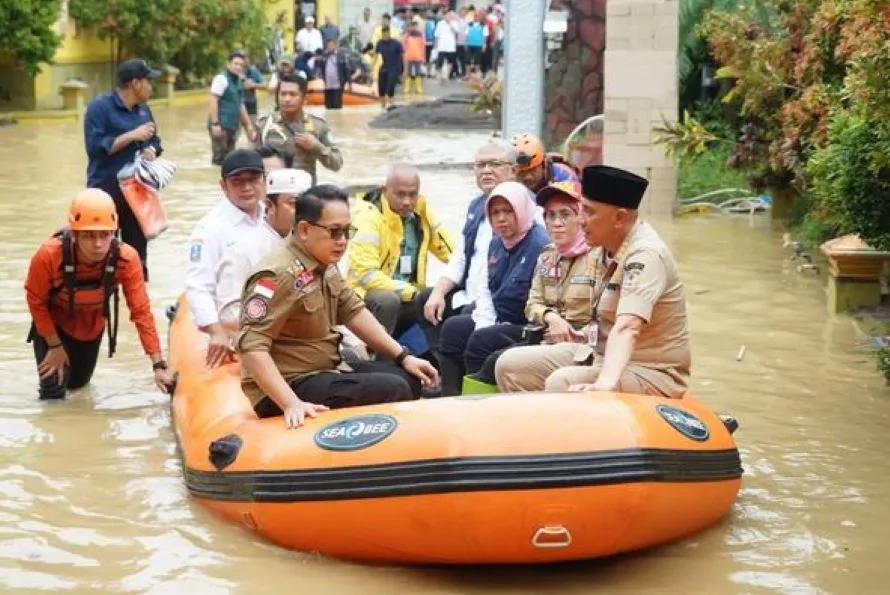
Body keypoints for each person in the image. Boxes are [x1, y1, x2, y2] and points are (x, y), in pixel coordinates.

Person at [235, 185, 440, 429]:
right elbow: (250, 345)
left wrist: (404, 356)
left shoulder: (324, 262)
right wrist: (291, 403)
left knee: (407, 377)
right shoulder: (276, 275)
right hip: (289, 383)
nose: (342, 241)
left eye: (346, 232)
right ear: (304, 230)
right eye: (334, 232)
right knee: (393, 389)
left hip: (324, 369)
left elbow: (353, 311)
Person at [495, 165, 692, 398]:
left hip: (650, 370)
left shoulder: (645, 255)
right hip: (597, 352)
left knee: (561, 382)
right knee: (509, 366)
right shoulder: (602, 249)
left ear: (619, 218)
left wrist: (606, 383)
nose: (580, 221)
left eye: (588, 212)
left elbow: (628, 326)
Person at [24, 189, 174, 399]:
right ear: (74, 234)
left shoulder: (127, 259)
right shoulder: (48, 255)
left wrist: (158, 364)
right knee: (52, 392)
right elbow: (35, 301)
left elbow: (141, 313)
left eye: (105, 234)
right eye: (88, 235)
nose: (98, 244)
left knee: (78, 387)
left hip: (91, 328)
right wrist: (54, 345)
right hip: (53, 328)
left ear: (114, 232)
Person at [463, 178, 594, 386]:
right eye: (551, 216)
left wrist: (575, 333)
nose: (557, 223)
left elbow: (606, 319)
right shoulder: (547, 256)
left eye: (565, 214)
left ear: (581, 218)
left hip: (582, 342)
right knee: (476, 343)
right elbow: (532, 304)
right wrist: (551, 317)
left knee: (496, 361)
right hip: (544, 334)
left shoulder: (598, 259)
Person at [436, 181, 549, 396]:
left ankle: (479, 402)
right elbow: (487, 292)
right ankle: (450, 395)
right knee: (453, 329)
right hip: (501, 318)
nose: (501, 218)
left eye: (508, 211)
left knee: (482, 341)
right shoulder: (496, 242)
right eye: (495, 212)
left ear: (522, 211)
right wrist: (484, 324)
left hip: (529, 326)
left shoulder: (540, 245)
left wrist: (485, 331)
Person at [416, 139, 516, 360]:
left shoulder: (523, 209)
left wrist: (481, 301)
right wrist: (439, 292)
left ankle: (456, 377)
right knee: (426, 299)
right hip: (468, 292)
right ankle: (438, 367)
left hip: (495, 299)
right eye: (480, 165)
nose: (486, 171)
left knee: (459, 321)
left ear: (513, 170)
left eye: (494, 164)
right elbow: (460, 257)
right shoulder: (476, 206)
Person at [346, 163, 454, 338]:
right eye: (400, 194)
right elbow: (366, 275)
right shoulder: (368, 218)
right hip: (366, 296)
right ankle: (379, 358)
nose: (407, 201)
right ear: (385, 190)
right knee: (389, 300)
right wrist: (411, 292)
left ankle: (431, 356)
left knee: (444, 298)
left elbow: (451, 251)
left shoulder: (422, 212)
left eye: (412, 194)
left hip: (409, 295)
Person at [185, 149, 266, 368]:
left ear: (264, 180)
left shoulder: (272, 217)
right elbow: (199, 286)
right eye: (238, 181)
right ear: (224, 186)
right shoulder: (209, 230)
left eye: (253, 179)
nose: (247, 187)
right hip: (233, 317)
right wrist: (216, 331)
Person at [84, 58, 163, 281]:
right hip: (105, 195)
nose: (151, 87)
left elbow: (156, 141)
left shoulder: (143, 110)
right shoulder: (99, 108)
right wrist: (132, 136)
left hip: (138, 196)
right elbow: (96, 148)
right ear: (135, 83)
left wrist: (152, 151)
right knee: (99, 258)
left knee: (137, 259)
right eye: (148, 81)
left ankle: (136, 309)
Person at [216, 168, 313, 324]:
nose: (304, 214)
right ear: (270, 205)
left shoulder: (316, 246)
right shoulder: (244, 251)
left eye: (308, 206)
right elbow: (230, 314)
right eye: (294, 205)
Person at [256, 73, 343, 184]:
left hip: (305, 192)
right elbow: (251, 163)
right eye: (283, 94)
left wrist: (316, 147)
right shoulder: (264, 125)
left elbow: (337, 165)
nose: (287, 99)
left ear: (304, 99)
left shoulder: (318, 126)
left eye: (292, 94)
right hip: (273, 191)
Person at [208, 52, 258, 166]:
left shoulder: (238, 82)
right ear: (228, 64)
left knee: (230, 159)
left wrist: (249, 125)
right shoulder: (221, 79)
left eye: (241, 65)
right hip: (221, 126)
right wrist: (215, 124)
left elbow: (240, 104)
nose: (239, 67)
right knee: (219, 160)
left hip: (232, 126)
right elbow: (213, 100)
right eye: (236, 64)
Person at [511, 133, 579, 193]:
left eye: (533, 170)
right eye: (521, 172)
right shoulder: (507, 180)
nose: (528, 177)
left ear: (544, 164)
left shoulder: (564, 176)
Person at [317, 37, 350, 110]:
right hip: (328, 85)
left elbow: (346, 69)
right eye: (328, 46)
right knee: (328, 106)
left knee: (337, 106)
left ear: (335, 46)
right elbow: (321, 67)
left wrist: (348, 82)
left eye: (331, 45)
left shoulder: (341, 55)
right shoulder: (324, 55)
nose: (329, 47)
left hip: (338, 85)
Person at [375, 26, 403, 109]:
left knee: (390, 88)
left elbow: (402, 57)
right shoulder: (380, 43)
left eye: (386, 34)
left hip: (394, 68)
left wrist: (403, 70)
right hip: (384, 67)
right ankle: (382, 107)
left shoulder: (396, 44)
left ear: (389, 33)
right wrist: (372, 68)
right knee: (381, 89)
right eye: (383, 34)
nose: (384, 36)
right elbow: (376, 56)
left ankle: (391, 106)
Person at [402, 20, 426, 95]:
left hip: (418, 56)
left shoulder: (421, 35)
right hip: (408, 56)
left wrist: (423, 56)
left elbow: (423, 46)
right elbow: (403, 45)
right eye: (412, 26)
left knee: (418, 72)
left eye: (415, 26)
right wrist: (404, 55)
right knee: (408, 72)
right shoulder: (407, 35)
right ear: (410, 27)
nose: (413, 28)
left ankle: (418, 88)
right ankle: (407, 88)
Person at [241, 57, 265, 128]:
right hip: (235, 106)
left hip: (250, 104)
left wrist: (253, 85)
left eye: (244, 58)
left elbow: (264, 85)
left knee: (253, 130)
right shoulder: (231, 72)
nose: (244, 61)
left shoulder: (253, 71)